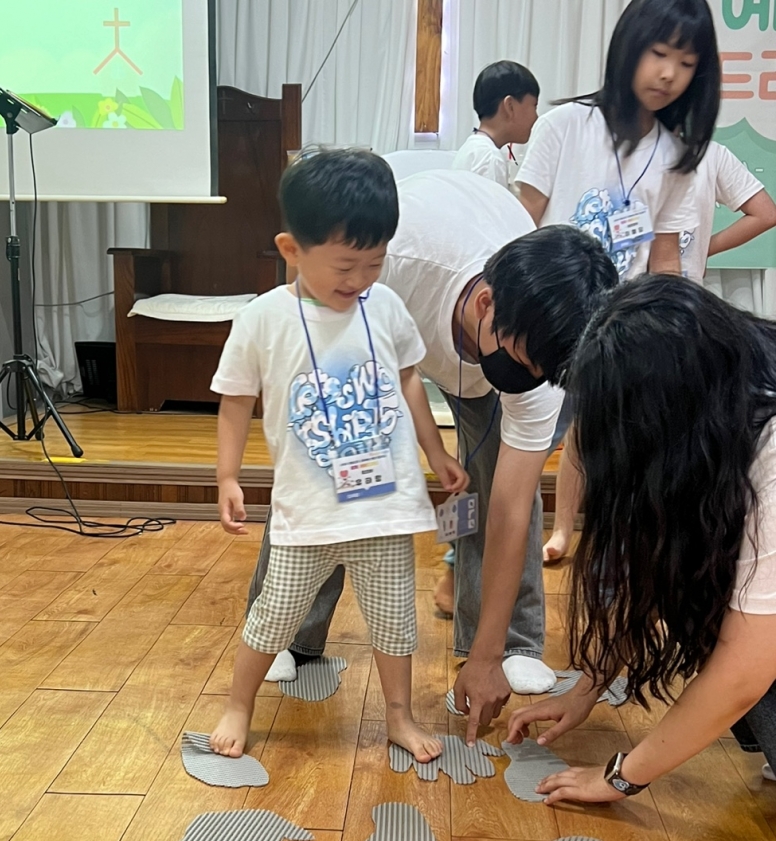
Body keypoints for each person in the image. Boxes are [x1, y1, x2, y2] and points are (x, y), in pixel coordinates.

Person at [247, 169, 617, 704]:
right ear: (486, 304)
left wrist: (486, 659)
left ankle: (511, 645)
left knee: (501, 486)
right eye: (520, 362)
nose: (526, 378)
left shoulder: (542, 358)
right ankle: (284, 629)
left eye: (538, 373)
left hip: (468, 341)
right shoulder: (389, 261)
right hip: (377, 326)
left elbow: (510, 509)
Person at [210, 148, 467, 761]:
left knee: (395, 621)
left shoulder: (386, 307)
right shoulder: (263, 319)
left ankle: (399, 717)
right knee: (274, 615)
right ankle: (239, 704)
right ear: (291, 249)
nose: (359, 280)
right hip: (308, 513)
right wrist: (227, 477)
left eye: (374, 264)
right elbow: (235, 400)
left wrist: (435, 450)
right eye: (346, 266)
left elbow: (409, 378)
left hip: (385, 507)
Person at [506, 276, 776, 802]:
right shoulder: (724, 406)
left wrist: (621, 776)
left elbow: (745, 669)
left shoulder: (768, 450)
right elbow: (662, 565)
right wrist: (586, 690)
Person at [514, 0, 720, 564]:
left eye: (686, 63)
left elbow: (665, 261)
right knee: (518, 457)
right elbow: (520, 221)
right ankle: (472, 568)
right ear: (629, 46)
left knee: (605, 454)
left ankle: (591, 562)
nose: (669, 74)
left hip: (616, 337)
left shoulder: (677, 157)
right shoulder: (564, 126)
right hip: (544, 326)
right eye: (659, 53)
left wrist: (674, 338)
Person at [680, 141, 776, 283]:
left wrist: (701, 250)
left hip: (676, 284)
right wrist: (700, 251)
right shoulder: (710, 152)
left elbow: (767, 215)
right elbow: (767, 214)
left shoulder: (711, 153)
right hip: (679, 284)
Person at [452, 60, 540, 188]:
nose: (536, 118)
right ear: (510, 106)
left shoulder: (472, 149)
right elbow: (491, 202)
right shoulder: (490, 159)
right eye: (534, 106)